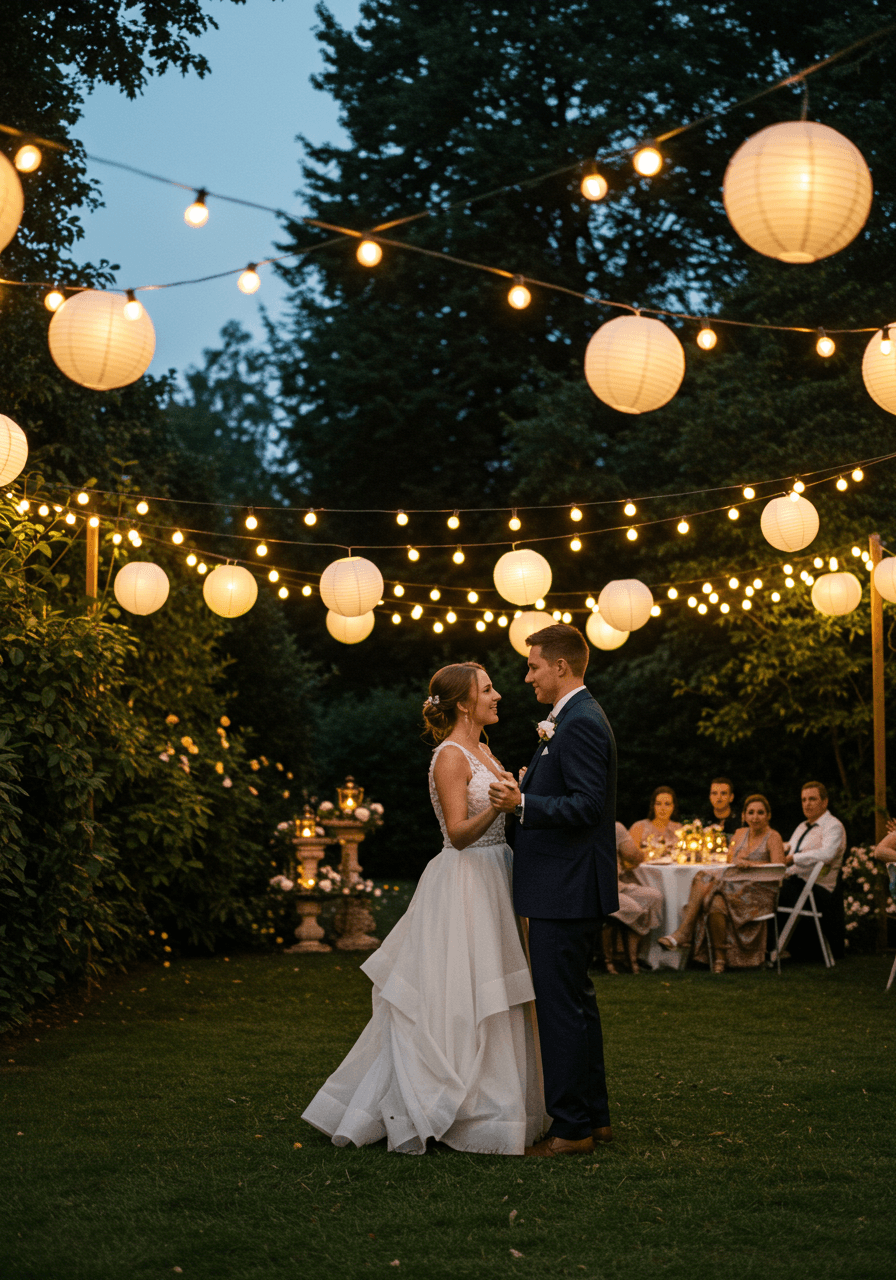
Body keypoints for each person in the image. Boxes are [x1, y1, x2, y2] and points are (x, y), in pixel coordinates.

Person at [302, 662, 546, 1156]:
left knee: (496, 989)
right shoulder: (450, 757)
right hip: (466, 880)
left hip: (496, 874)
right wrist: (498, 808)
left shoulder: (484, 749)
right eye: (487, 689)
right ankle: (453, 1104)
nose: (498, 695)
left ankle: (495, 1105)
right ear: (463, 703)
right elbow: (456, 834)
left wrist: (514, 793)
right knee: (462, 992)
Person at [488, 623, 618, 1158]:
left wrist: (523, 805)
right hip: (566, 886)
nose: (527, 676)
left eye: (534, 666)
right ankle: (596, 1117)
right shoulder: (570, 720)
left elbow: (589, 806)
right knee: (577, 1005)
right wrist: (533, 787)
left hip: (563, 888)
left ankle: (571, 1130)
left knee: (561, 1008)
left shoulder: (580, 722)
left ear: (560, 666)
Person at [658, 794, 785, 971]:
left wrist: (751, 864)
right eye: (751, 812)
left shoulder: (773, 837)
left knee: (705, 879)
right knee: (714, 899)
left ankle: (683, 933)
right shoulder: (740, 833)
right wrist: (736, 859)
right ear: (744, 815)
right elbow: (729, 859)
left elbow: (779, 869)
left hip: (758, 893)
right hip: (734, 887)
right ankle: (719, 961)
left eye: (760, 813)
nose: (755, 817)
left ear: (768, 815)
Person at [778, 781, 846, 961]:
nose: (807, 804)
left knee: (771, 892)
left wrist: (795, 858)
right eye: (803, 800)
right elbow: (788, 850)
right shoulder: (801, 827)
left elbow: (827, 854)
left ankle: (773, 947)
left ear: (824, 802)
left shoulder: (833, 826)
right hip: (795, 883)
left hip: (818, 889)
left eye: (812, 799)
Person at [602, 823, 663, 975]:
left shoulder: (615, 827)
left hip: (617, 886)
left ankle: (633, 956)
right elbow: (634, 855)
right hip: (599, 891)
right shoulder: (614, 827)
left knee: (653, 896)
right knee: (635, 909)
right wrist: (644, 854)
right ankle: (614, 958)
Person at [629, 787, 682, 856]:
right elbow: (630, 856)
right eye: (658, 804)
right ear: (653, 806)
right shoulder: (639, 827)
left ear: (673, 806)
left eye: (667, 804)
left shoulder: (679, 829)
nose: (663, 808)